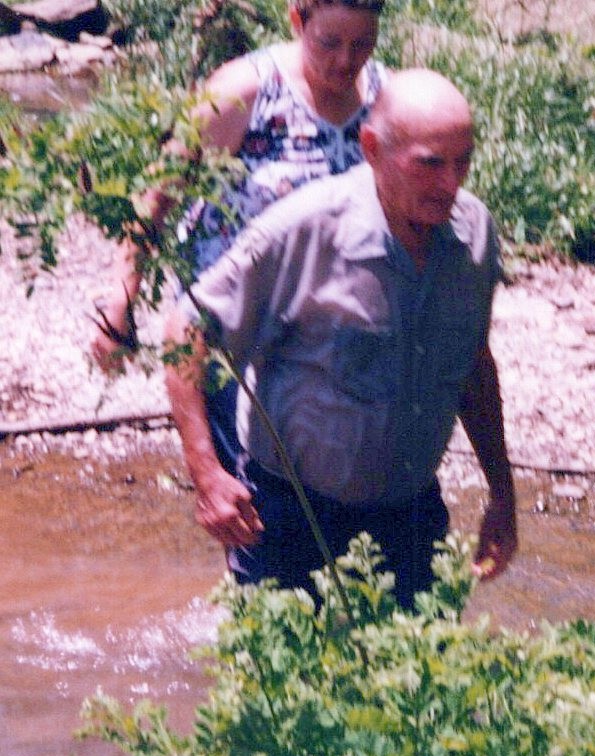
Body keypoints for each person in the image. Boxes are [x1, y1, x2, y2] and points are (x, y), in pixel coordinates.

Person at [162, 68, 517, 606]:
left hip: (410, 515)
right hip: (290, 518)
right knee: (280, 662)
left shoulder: (473, 233)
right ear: (372, 149)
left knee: (423, 660)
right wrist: (208, 475)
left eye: (462, 162)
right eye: (430, 164)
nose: (451, 184)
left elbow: (473, 365)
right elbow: (186, 330)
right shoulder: (305, 228)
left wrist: (502, 493)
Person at [92, 0, 386, 474]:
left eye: (362, 44)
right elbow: (156, 199)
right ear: (297, 20)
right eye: (329, 43)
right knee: (246, 483)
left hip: (332, 336)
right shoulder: (242, 92)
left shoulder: (384, 98)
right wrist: (119, 306)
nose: (345, 61)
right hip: (234, 331)